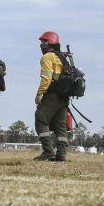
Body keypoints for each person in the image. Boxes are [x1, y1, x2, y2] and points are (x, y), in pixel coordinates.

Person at [34, 31, 69, 161]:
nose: (41, 45)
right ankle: (61, 154)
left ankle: (48, 151)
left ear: (50, 43)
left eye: (44, 42)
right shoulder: (61, 57)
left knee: (40, 119)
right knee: (61, 126)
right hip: (64, 97)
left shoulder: (48, 57)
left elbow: (46, 77)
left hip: (52, 94)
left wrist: (40, 93)